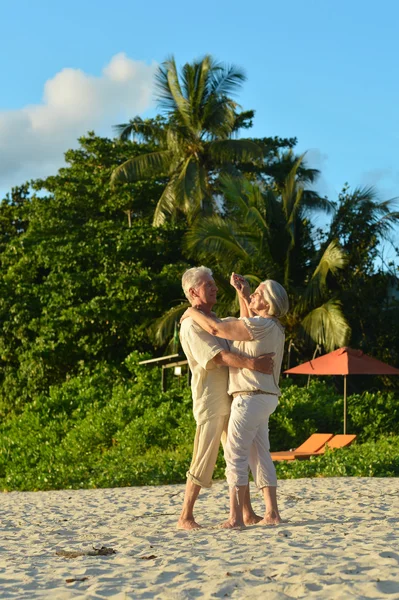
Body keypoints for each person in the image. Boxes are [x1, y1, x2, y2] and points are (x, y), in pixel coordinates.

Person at [181, 273, 288, 528]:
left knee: (239, 455)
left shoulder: (219, 321)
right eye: (208, 285)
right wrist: (242, 295)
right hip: (214, 397)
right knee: (210, 455)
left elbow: (235, 328)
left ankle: (241, 516)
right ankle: (187, 515)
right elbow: (218, 355)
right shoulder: (193, 324)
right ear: (193, 292)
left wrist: (191, 310)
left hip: (243, 396)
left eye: (258, 294)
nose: (215, 288)